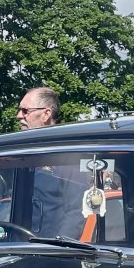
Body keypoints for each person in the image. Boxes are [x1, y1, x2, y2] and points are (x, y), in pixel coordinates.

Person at [16, 86, 83, 237]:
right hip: (15, 249)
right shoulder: (17, 157)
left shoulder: (66, 158)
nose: (19, 116)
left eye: (25, 111)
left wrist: (56, 250)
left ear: (46, 114)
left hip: (49, 252)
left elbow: (75, 213)